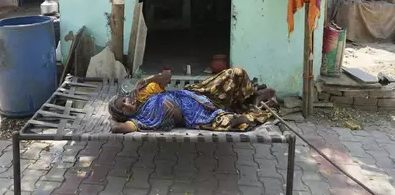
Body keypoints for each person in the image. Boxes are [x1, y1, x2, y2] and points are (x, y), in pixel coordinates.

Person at [108, 67, 276, 134]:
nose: (126, 103)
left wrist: (147, 79)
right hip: (200, 115)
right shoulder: (139, 120)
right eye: (122, 107)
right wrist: (114, 117)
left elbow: (167, 75)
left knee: (236, 73)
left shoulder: (144, 93)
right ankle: (257, 107)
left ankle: (255, 97)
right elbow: (117, 128)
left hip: (199, 94)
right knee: (239, 123)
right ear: (124, 114)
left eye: (124, 100)